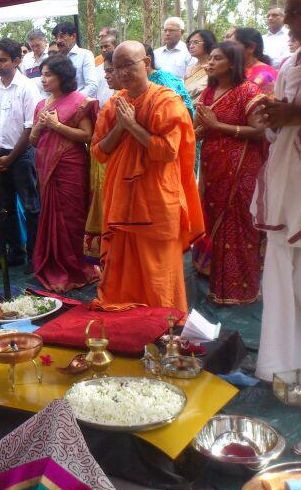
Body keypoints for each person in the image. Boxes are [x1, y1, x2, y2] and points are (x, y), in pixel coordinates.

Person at [90, 41, 204, 314]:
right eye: (118, 68)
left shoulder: (166, 101)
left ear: (147, 64)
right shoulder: (113, 105)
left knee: (159, 269)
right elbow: (98, 152)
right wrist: (121, 127)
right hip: (122, 197)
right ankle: (128, 322)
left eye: (130, 64)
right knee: (122, 266)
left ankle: (165, 324)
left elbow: (167, 152)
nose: (124, 72)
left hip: (156, 199)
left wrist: (133, 125)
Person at [251, 0, 301, 380]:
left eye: (296, 11)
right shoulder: (292, 63)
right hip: (288, 183)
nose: (288, 19)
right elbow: (281, 125)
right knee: (287, 284)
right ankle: (290, 369)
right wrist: (273, 117)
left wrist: (296, 116)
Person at [191, 41, 266, 304]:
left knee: (237, 223)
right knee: (212, 218)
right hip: (213, 165)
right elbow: (201, 128)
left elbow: (259, 131)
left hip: (242, 166)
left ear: (232, 63)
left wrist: (219, 126)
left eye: (217, 59)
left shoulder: (248, 91)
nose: (210, 63)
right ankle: (215, 282)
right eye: (210, 58)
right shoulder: (209, 93)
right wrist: (188, 136)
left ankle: (240, 290)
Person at [30, 56, 100, 292]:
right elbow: (32, 140)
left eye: (48, 74)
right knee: (50, 216)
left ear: (63, 76)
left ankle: (77, 269)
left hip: (71, 166)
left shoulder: (80, 101)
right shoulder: (41, 105)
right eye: (43, 74)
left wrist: (57, 126)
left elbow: (88, 136)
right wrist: (41, 126)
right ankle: (53, 264)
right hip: (46, 167)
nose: (44, 79)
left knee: (72, 217)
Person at [0, 37, 42, 271]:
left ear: (17, 60)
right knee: (5, 206)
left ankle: (35, 256)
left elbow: (30, 128)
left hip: (22, 155)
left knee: (31, 207)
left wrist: (10, 159)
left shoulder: (27, 87)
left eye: (2, 60)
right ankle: (15, 253)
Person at [84, 51, 120, 261]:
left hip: (119, 168)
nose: (106, 75)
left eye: (111, 70)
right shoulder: (112, 100)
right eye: (105, 70)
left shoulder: (132, 100)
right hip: (103, 163)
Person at [144, 44, 195, 118]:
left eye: (130, 63)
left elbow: (179, 111)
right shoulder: (134, 82)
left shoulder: (164, 81)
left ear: (147, 61)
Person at [52, 21, 98, 98]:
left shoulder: (85, 55)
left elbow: (92, 86)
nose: (58, 41)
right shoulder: (56, 59)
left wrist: (73, 101)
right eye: (56, 38)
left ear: (73, 36)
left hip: (80, 106)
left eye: (62, 36)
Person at [232, 27, 279, 94]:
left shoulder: (267, 73)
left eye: (234, 45)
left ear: (251, 48)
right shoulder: (231, 69)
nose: (229, 49)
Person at [184, 29, 218, 102]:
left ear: (208, 43)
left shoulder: (214, 68)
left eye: (196, 42)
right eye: (189, 43)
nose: (191, 46)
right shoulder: (190, 68)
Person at [95, 33, 118, 107]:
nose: (103, 50)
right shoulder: (96, 69)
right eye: (101, 47)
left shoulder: (123, 68)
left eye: (106, 46)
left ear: (115, 46)